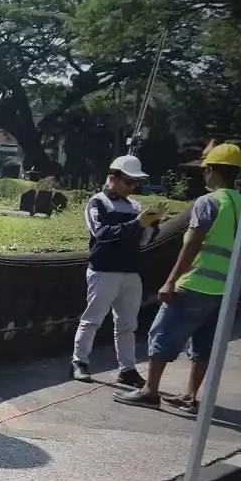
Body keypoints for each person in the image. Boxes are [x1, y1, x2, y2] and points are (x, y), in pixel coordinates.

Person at [116, 141, 241, 411]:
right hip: (224, 290)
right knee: (205, 344)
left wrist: (171, 280)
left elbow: (192, 244)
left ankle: (150, 391)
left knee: (161, 333)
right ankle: (190, 396)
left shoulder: (208, 203)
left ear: (211, 170)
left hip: (195, 284)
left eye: (205, 169)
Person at [71, 154, 160, 385]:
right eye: (128, 182)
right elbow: (101, 234)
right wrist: (137, 224)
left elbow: (143, 241)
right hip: (104, 271)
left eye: (135, 183)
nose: (132, 188)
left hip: (130, 272)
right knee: (92, 320)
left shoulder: (135, 206)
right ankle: (79, 362)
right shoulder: (98, 202)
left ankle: (127, 368)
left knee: (128, 324)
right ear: (113, 178)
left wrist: (152, 224)